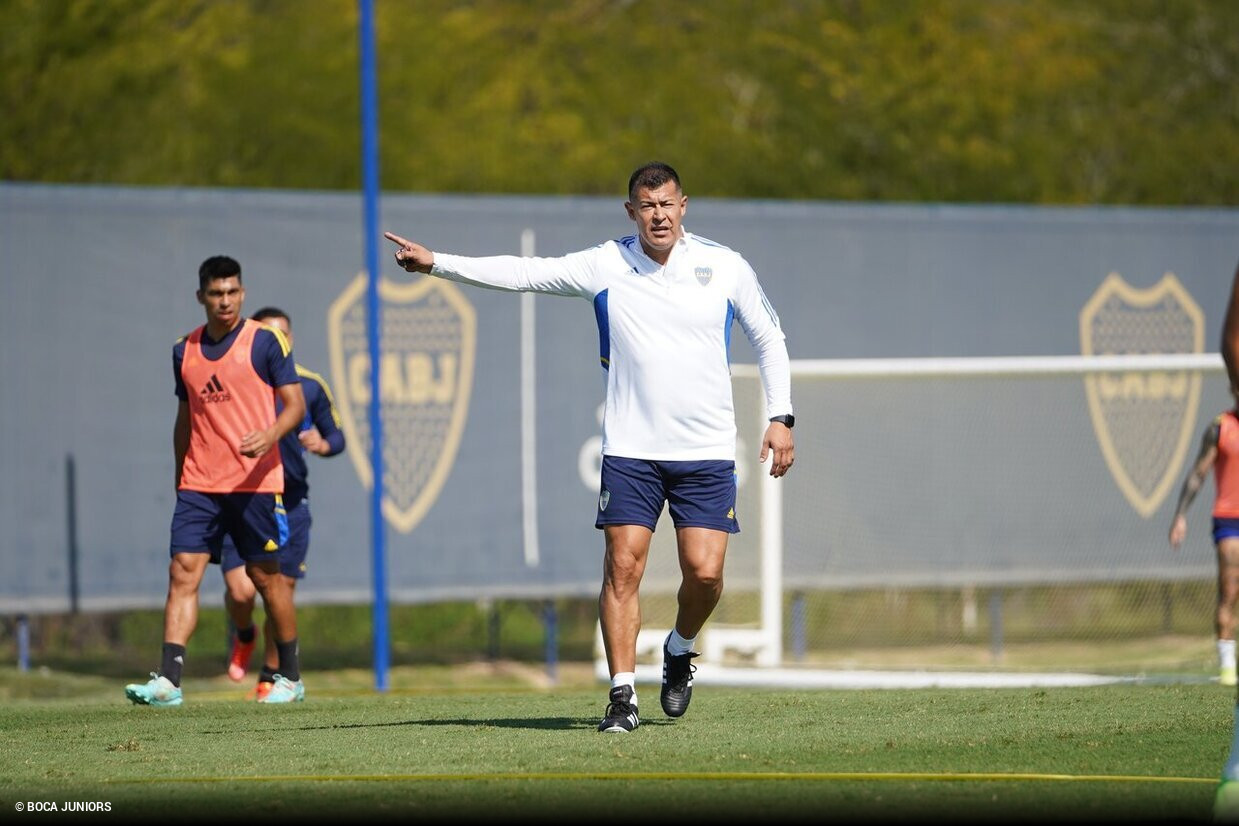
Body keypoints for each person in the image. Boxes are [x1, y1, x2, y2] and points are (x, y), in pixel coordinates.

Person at [384, 161, 795, 733]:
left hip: (704, 452)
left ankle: (678, 650)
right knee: (622, 569)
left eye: (668, 203)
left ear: (684, 206)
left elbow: (769, 337)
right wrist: (438, 264)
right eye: (647, 206)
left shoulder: (725, 267)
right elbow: (524, 273)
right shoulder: (605, 263)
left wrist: (781, 416)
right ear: (631, 212)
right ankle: (622, 696)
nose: (659, 214)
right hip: (631, 450)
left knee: (704, 576)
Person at [125, 255, 308, 706]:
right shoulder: (182, 351)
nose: (224, 301)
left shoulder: (266, 342)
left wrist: (269, 435)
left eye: (232, 292)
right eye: (215, 293)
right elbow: (184, 419)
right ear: (201, 297)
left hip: (256, 484)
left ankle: (290, 677)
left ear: (242, 293)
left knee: (267, 581)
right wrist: (179, 472)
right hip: (200, 483)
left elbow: (295, 406)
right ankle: (169, 681)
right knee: (182, 572)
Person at [216, 307, 346, 700]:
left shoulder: (307, 386)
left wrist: (322, 445)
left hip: (288, 505)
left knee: (280, 593)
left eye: (284, 335)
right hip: (240, 500)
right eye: (270, 335)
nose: (279, 342)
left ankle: (272, 675)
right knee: (241, 593)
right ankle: (243, 633)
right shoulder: (236, 381)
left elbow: (336, 437)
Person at [1168, 392, 1239, 686]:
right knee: (1230, 591)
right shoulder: (1220, 428)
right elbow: (1198, 474)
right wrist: (1180, 515)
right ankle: (1227, 666)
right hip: (1230, 520)